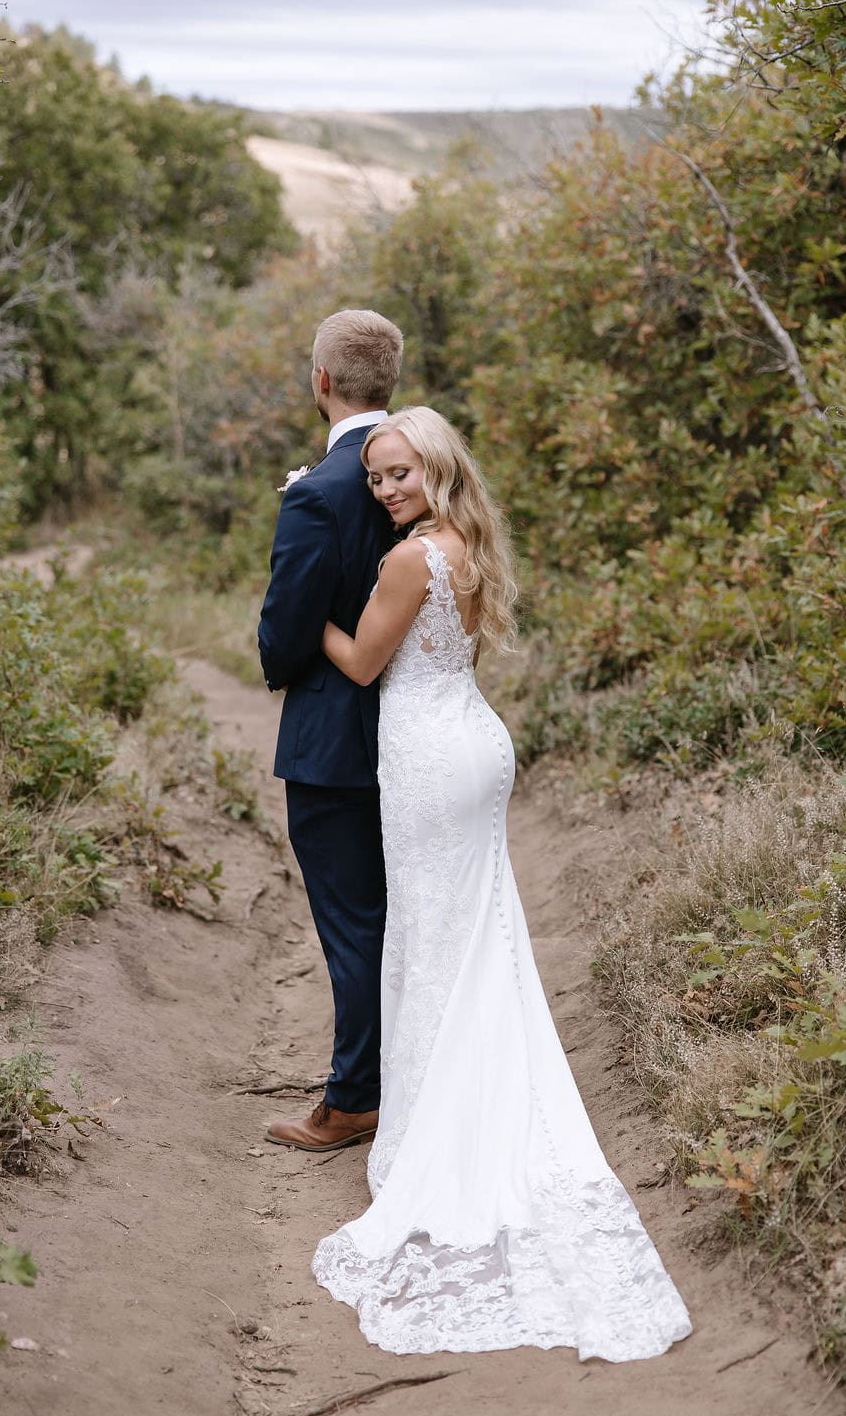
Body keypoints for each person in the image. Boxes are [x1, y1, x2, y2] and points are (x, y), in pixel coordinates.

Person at [310, 406, 693, 1359]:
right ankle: (459, 1090)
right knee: (473, 932)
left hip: (435, 758)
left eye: (399, 472)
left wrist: (304, 606)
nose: (386, 489)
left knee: (438, 935)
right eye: (374, 479)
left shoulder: (411, 561)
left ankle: (439, 1126)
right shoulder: (465, 544)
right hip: (470, 745)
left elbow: (361, 663)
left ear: (435, 468)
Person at [258, 308, 404, 1151]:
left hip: (334, 742)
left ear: (321, 381)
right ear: (390, 383)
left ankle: (354, 1100)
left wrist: (279, 655)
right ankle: (398, 1078)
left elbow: (285, 634)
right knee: (400, 913)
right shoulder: (424, 467)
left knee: (354, 921)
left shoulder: (318, 491)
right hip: (415, 729)